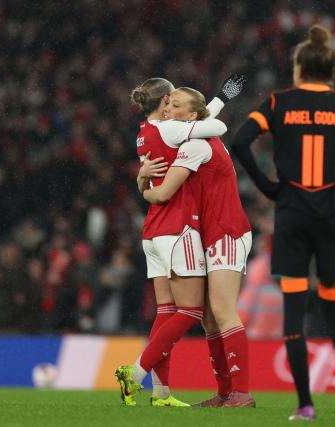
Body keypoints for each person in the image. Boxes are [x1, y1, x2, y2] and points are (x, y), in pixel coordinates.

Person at [231, 25, 335, 421]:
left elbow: (239, 141)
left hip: (291, 215)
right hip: (333, 215)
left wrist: (269, 187)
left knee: (293, 311)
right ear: (327, 70)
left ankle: (305, 405)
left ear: (297, 68)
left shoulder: (278, 103)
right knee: (334, 311)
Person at [115, 76, 237, 407]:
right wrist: (217, 108)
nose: (174, 107)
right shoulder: (168, 130)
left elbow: (194, 120)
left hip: (153, 230)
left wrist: (219, 98)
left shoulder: (144, 133)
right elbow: (214, 129)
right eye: (173, 100)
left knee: (166, 310)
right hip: (177, 227)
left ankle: (162, 392)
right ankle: (136, 371)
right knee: (191, 311)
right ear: (166, 101)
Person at [142, 85, 256, 408]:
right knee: (208, 316)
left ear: (191, 117)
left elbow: (162, 193)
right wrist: (220, 97)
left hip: (226, 232)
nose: (168, 109)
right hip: (211, 234)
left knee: (222, 310)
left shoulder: (196, 146)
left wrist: (143, 186)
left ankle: (241, 392)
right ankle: (224, 392)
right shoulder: (196, 138)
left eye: (175, 105)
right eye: (168, 103)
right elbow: (206, 116)